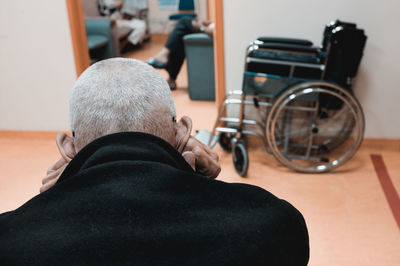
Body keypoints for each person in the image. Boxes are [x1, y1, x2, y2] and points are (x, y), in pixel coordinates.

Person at [0, 58, 309, 265]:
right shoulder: (272, 225)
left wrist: (50, 202)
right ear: (183, 132)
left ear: (68, 148)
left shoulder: (11, 241)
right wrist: (205, 187)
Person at [148, 17, 215, 90]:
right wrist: (200, 23)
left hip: (207, 32)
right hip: (202, 28)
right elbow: (207, 22)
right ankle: (171, 77)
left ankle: (163, 55)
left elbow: (212, 31)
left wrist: (201, 27)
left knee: (183, 22)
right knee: (182, 35)